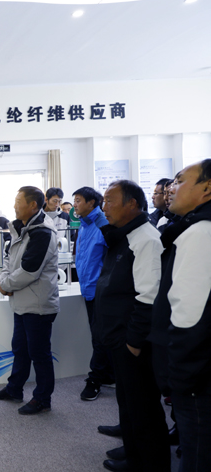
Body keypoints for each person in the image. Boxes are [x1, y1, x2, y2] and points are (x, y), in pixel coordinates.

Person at [93, 180, 168, 472]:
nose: (104, 207)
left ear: (132, 204)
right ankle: (133, 450)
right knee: (128, 400)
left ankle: (148, 462)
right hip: (118, 336)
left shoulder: (146, 238)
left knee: (143, 405)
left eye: (110, 201)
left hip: (131, 339)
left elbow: (149, 295)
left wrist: (134, 341)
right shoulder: (124, 235)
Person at [150, 160, 211, 472]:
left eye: (180, 181)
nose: (170, 189)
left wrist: (179, 375)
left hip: (196, 374)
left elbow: (189, 314)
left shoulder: (200, 232)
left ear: (207, 188)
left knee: (197, 451)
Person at [0, 186, 60, 415]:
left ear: (33, 205)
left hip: (38, 305)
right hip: (22, 302)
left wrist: (6, 285)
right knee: (20, 348)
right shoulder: (21, 228)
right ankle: (14, 389)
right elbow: (9, 260)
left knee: (39, 354)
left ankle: (42, 399)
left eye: (18, 201)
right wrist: (3, 280)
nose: (14, 205)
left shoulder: (42, 232)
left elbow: (30, 270)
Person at [71, 187, 114, 401]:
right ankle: (107, 374)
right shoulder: (84, 224)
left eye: (78, 200)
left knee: (99, 337)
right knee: (98, 335)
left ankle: (95, 379)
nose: (75, 205)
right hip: (88, 288)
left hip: (101, 290)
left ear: (92, 203)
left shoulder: (103, 223)